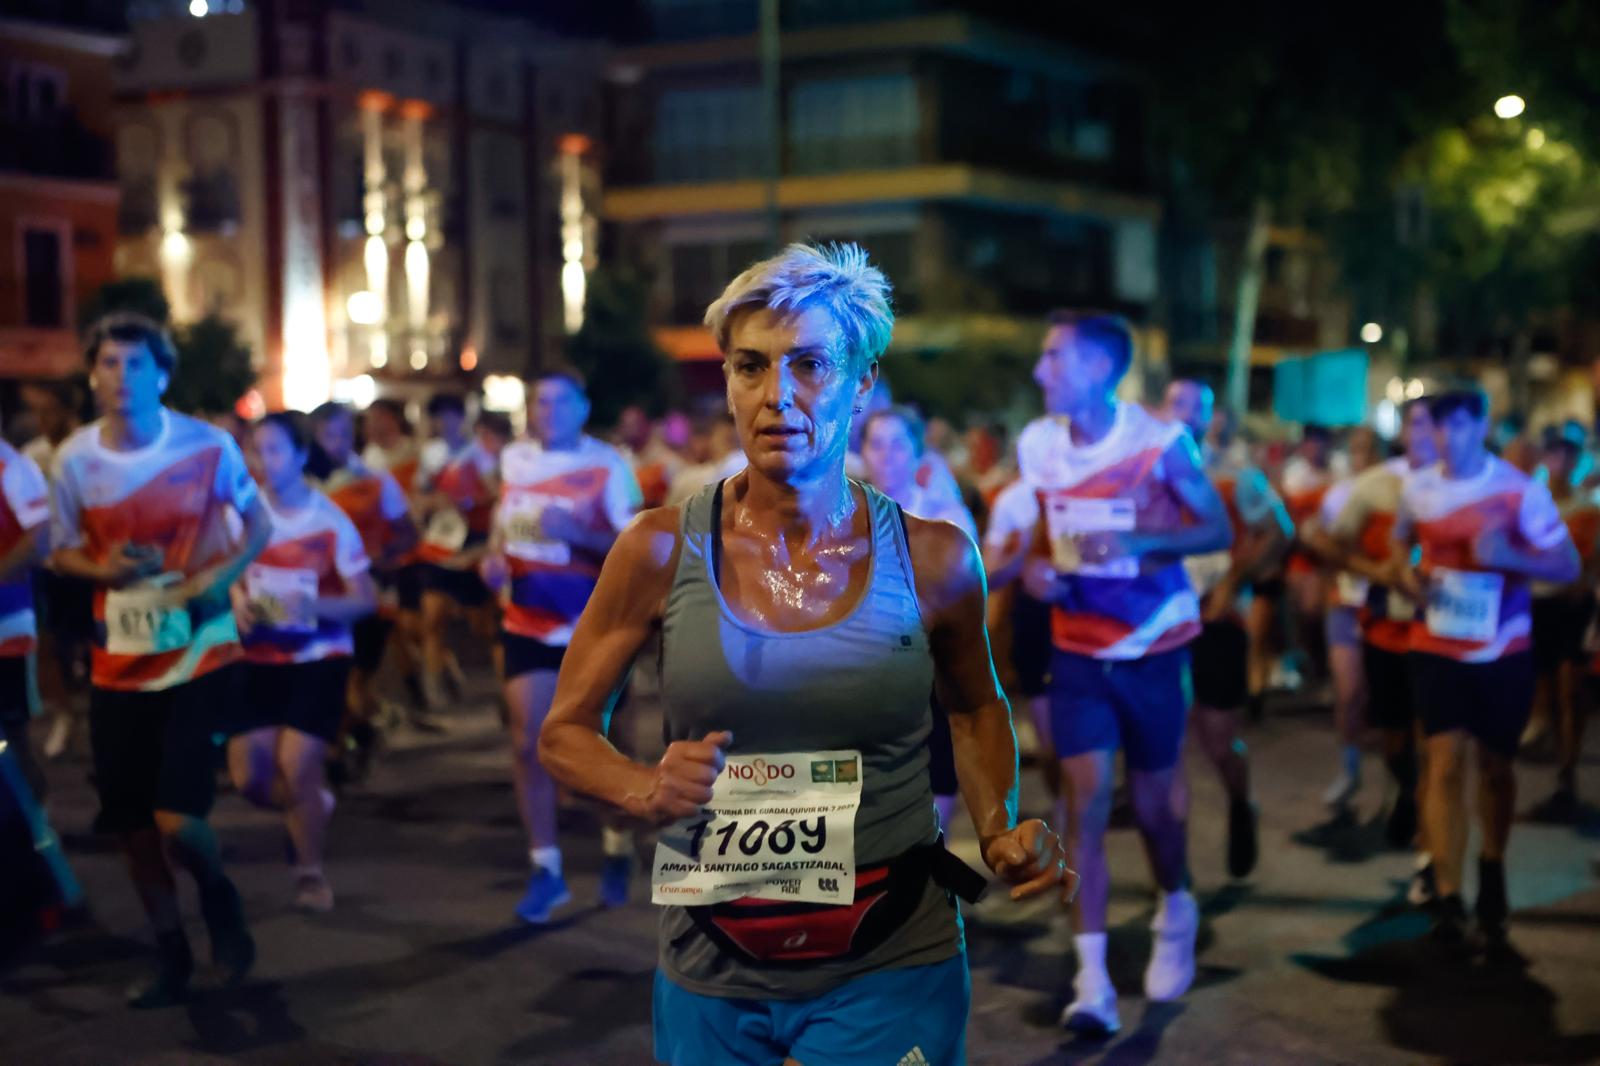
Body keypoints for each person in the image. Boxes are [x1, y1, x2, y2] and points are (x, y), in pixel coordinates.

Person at [539, 242, 1074, 1066]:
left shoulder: (933, 559)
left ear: (862, 382)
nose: (775, 397)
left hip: (890, 956)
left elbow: (974, 707)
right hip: (710, 959)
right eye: (749, 367)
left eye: (810, 366)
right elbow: (564, 731)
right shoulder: (655, 550)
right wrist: (643, 787)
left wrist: (998, 826)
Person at [987, 313, 1232, 1033]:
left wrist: (1141, 538)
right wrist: (1035, 574)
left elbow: (1215, 529)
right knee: (1082, 804)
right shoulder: (1038, 445)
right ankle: (1090, 982)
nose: (1040, 373)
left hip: (1154, 645)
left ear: (1099, 369)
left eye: (1053, 358)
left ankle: (1176, 906)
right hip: (1079, 648)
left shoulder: (1159, 444)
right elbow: (1042, 536)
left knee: (1156, 809)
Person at [50, 313, 272, 1007]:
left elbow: (258, 523)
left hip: (198, 650)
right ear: (93, 375)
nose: (122, 378)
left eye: (136, 364)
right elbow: (59, 551)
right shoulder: (73, 460)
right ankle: (170, 954)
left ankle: (218, 896)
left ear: (162, 374)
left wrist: (216, 575)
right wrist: (102, 567)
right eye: (110, 364)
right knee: (135, 829)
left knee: (178, 820)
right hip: (120, 659)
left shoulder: (207, 446)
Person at [1388, 386, 1578, 948]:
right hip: (1435, 643)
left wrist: (1510, 557)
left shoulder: (1518, 493)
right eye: (1439, 426)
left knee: (1496, 767)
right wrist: (1406, 574)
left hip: (1503, 650)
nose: (1449, 437)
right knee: (1443, 761)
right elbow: (1402, 546)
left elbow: (1567, 564)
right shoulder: (1418, 488)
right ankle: (1448, 894)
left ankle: (1492, 866)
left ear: (1482, 427)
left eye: (1461, 425)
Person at [479, 367, 642, 923]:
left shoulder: (608, 466)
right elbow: (506, 529)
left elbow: (636, 550)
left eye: (556, 401)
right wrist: (494, 559)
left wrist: (580, 536)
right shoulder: (514, 461)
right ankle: (545, 868)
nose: (544, 411)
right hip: (526, 620)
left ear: (581, 406)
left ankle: (618, 838)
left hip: (594, 628)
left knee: (597, 750)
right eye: (537, 401)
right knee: (529, 742)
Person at [226, 413, 377, 912]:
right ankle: (314, 806)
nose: (261, 461)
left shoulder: (328, 519)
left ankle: (310, 874)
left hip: (318, 656)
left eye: (272, 450)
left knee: (298, 766)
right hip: (257, 657)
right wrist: (236, 600)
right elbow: (225, 574)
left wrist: (315, 609)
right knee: (251, 778)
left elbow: (365, 598)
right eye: (254, 450)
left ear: (298, 456)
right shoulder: (240, 517)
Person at [1162, 379, 1290, 878]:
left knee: (1217, 739)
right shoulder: (1144, 472)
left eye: (1199, 407)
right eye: (1178, 404)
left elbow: (1280, 531)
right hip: (1162, 620)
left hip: (1217, 619)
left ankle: (1241, 801)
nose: (1187, 415)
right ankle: (1173, 878)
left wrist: (1234, 579)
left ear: (1212, 418)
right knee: (1165, 745)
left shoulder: (1236, 477)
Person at [1325, 400, 1438, 867]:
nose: (1426, 432)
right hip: (1385, 630)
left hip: (1441, 633)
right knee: (1394, 740)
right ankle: (1404, 788)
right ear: (1404, 431)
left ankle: (1432, 849)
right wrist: (1379, 572)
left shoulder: (1466, 487)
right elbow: (1333, 548)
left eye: (1436, 423)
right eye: (1416, 423)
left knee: (1436, 739)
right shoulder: (1375, 487)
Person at [860, 404, 980, 838]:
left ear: (916, 452)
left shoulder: (945, 519)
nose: (887, 455)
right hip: (858, 679)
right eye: (876, 444)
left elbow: (967, 606)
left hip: (929, 679)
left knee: (931, 808)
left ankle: (931, 898)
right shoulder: (842, 514)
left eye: (898, 444)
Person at [309, 402, 417, 778]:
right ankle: (355, 735)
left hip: (368, 598)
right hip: (320, 600)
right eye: (326, 435)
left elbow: (407, 532)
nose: (333, 444)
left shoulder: (374, 481)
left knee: (353, 683)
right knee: (334, 684)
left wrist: (382, 555)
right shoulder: (301, 485)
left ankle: (349, 741)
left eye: (341, 434)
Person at [1301, 426, 1383, 810]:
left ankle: (1399, 783)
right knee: (1348, 691)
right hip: (1344, 602)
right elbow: (1318, 538)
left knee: (1379, 696)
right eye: (1354, 449)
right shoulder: (1337, 494)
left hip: (1383, 604)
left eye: (1368, 448)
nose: (1360, 455)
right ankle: (1349, 770)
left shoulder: (1396, 492)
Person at [415, 398, 509, 717]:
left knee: (487, 624)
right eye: (440, 417)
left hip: (474, 544)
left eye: (451, 416)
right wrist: (434, 502)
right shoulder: (431, 454)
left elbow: (497, 492)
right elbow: (420, 497)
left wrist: (470, 499)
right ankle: (434, 687)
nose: (446, 423)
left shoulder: (480, 453)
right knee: (431, 618)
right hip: (441, 543)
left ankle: (507, 692)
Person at [1525, 427, 1598, 821]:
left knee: (1571, 688)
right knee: (1550, 690)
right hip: (1540, 606)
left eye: (1569, 455)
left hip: (1574, 607)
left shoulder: (1588, 507)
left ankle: (1568, 771)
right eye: (1555, 454)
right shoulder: (1532, 505)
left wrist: (1585, 583)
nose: (1562, 463)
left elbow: (1594, 559)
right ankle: (1561, 769)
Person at [21, 380, 92, 760]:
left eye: (48, 410)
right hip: (49, 567)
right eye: (37, 412)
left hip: (88, 563)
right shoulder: (31, 455)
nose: (41, 419)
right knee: (48, 645)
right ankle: (63, 713)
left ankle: (99, 719)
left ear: (68, 409)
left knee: (93, 643)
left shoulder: (89, 448)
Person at [361, 398, 427, 715]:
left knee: (413, 625)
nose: (374, 426)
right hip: (381, 557)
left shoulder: (415, 454)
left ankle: (420, 673)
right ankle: (410, 686)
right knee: (392, 625)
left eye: (381, 418)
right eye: (369, 420)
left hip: (412, 551)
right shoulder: (366, 461)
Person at [0, 418, 52, 802]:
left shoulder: (13, 467)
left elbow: (40, 538)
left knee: (11, 734)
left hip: (8, 629)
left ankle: (38, 834)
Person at [1278, 424, 1336, 693]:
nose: (1315, 448)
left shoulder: (1338, 472)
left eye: (1319, 442)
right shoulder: (1293, 475)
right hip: (1301, 554)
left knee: (1319, 611)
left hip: (1328, 557)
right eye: (1310, 443)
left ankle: (1324, 668)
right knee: (1303, 612)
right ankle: (1311, 666)